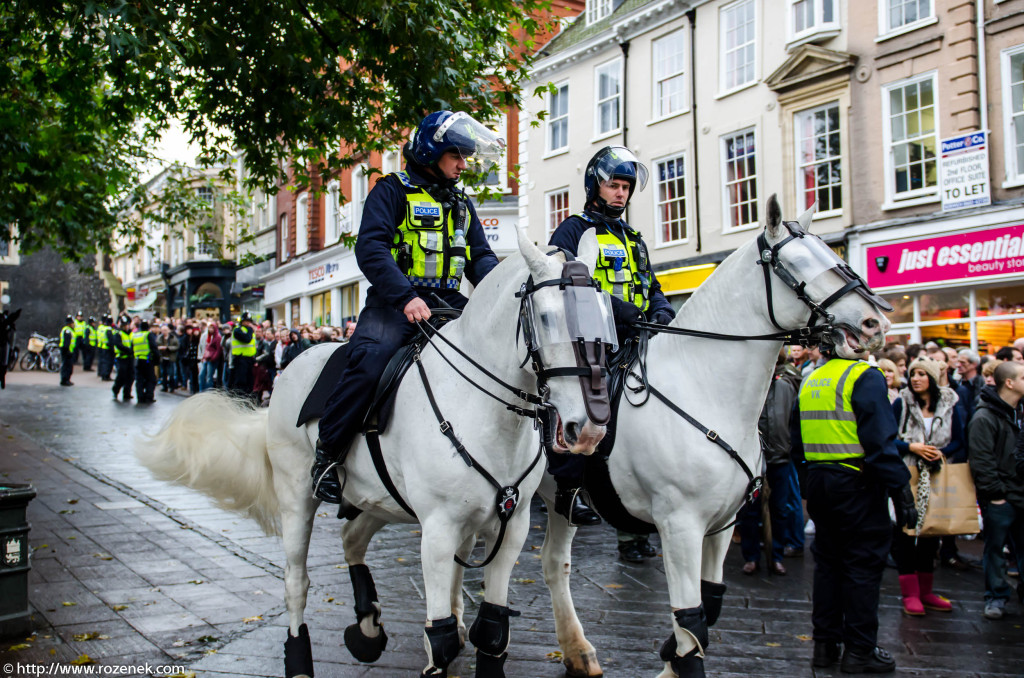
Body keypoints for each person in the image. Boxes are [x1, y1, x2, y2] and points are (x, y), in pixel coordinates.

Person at [312, 111, 504, 503]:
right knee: (369, 363)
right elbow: (372, 248)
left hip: (449, 301)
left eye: (466, 157)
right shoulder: (392, 190)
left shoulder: (462, 203)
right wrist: (405, 296)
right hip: (395, 301)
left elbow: (480, 257)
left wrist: (500, 289)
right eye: (457, 156)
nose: (463, 165)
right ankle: (327, 456)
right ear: (432, 153)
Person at [546, 145, 675, 558]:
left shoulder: (633, 238)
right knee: (583, 405)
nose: (620, 193)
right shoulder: (572, 230)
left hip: (637, 338)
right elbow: (568, 281)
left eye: (626, 187)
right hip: (592, 341)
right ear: (594, 186)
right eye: (613, 184)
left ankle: (636, 523)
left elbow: (651, 286)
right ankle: (567, 489)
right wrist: (625, 312)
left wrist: (662, 313)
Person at [793, 349, 916, 673]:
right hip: (856, 482)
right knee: (862, 566)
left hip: (821, 482)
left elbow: (796, 440)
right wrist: (900, 488)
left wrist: (811, 480)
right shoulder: (863, 375)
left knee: (828, 564)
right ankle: (860, 651)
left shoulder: (811, 379)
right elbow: (879, 441)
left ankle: (825, 646)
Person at [891, 357, 963, 615]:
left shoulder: (950, 402)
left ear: (932, 378)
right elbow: (887, 438)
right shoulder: (901, 403)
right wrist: (911, 447)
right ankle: (910, 594)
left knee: (931, 531)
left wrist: (940, 452)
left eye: (922, 374)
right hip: (907, 473)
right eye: (913, 374)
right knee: (905, 531)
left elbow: (960, 439)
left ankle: (926, 591)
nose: (916, 378)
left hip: (936, 473)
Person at [740, 351, 805, 576]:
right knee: (750, 510)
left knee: (780, 509)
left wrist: (792, 450)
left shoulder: (787, 388)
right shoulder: (749, 388)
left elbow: (794, 423)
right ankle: (751, 556)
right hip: (753, 460)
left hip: (780, 458)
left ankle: (776, 555)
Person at [968, 361, 1024, 620]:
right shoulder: (984, 417)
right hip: (1001, 497)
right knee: (995, 548)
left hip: (1019, 493)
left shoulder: (1020, 412)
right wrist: (997, 496)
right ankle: (996, 598)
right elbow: (982, 461)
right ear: (1009, 383)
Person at [229, 312, 258, 402]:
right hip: (240, 359)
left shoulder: (249, 331)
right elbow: (247, 339)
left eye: (249, 321)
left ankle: (248, 400)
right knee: (241, 381)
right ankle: (239, 400)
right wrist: (250, 329)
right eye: (246, 321)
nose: (248, 323)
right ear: (242, 321)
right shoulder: (237, 330)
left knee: (250, 381)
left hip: (249, 359)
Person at [132, 320, 158, 403]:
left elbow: (131, 347)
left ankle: (140, 397)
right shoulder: (148, 335)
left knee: (139, 379)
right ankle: (148, 396)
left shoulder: (135, 335)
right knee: (150, 379)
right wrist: (157, 359)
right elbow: (153, 347)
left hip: (137, 360)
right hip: (147, 360)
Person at [111, 315, 135, 401]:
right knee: (121, 375)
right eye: (124, 325)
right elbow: (118, 345)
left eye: (126, 325)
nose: (125, 327)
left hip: (130, 358)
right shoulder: (118, 334)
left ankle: (127, 393)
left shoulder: (131, 334)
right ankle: (115, 390)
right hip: (121, 357)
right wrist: (129, 350)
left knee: (130, 376)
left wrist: (132, 350)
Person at [957, 349, 985, 419]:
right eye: (958, 362)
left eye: (963, 363)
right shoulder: (957, 383)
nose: (958, 365)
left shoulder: (982, 383)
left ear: (974, 364)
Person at [157, 324, 180, 392]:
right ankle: (164, 386)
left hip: (170, 358)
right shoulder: (159, 338)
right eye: (163, 330)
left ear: (169, 331)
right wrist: (160, 348)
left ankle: (172, 387)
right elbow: (157, 345)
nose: (164, 332)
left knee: (171, 373)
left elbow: (177, 346)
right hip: (163, 358)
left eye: (166, 330)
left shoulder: (173, 337)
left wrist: (168, 348)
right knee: (163, 373)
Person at [95, 315, 116, 381]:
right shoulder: (109, 330)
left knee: (104, 362)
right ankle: (106, 375)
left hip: (103, 346)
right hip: (108, 348)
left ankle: (103, 374)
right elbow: (111, 340)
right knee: (108, 363)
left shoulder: (102, 328)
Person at [58, 315, 76, 386]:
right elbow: (67, 342)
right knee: (66, 365)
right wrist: (68, 350)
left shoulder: (69, 330)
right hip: (66, 350)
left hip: (68, 350)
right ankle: (64, 380)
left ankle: (67, 379)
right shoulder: (67, 330)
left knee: (68, 365)